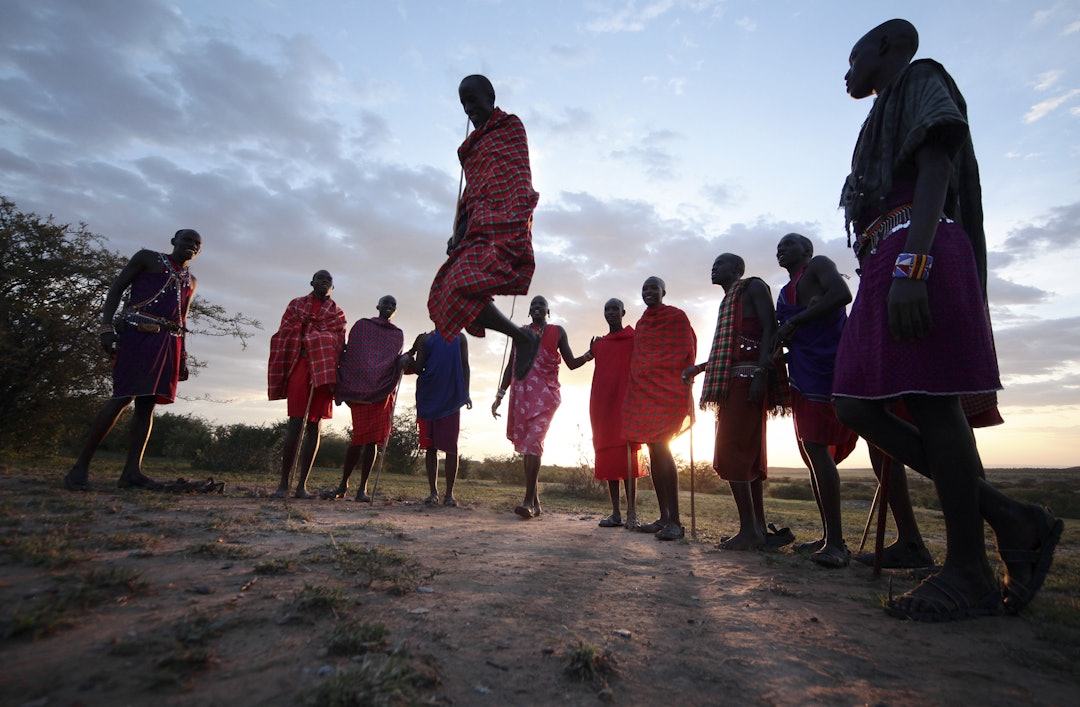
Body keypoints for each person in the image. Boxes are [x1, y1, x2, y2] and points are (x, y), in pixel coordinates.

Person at [834, 19, 1063, 620]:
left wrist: (913, 264)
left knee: (933, 403)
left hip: (919, 246)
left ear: (885, 46)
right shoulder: (875, 118)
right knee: (854, 403)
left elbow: (937, 163)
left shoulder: (922, 78)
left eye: (853, 57)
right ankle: (1013, 518)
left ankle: (968, 571)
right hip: (886, 256)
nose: (846, 70)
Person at [63, 229, 202, 491]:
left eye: (197, 244)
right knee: (123, 397)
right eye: (186, 240)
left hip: (168, 341)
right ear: (174, 241)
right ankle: (79, 468)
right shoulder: (147, 258)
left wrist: (182, 356)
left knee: (148, 403)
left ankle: (131, 473)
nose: (191, 246)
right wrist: (105, 327)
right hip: (137, 333)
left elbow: (183, 318)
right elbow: (116, 288)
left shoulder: (191, 281)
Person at [427, 74, 542, 381]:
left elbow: (514, 176)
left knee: (460, 283)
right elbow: (474, 190)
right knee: (449, 294)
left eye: (473, 100)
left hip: (505, 218)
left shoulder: (510, 127)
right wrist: (459, 231)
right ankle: (522, 336)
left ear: (490, 97)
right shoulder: (472, 147)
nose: (468, 108)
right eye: (463, 103)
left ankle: (523, 338)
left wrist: (507, 211)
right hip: (478, 224)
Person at [683, 256, 786, 550]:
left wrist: (761, 373)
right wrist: (700, 368)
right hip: (734, 381)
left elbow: (770, 328)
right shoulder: (729, 301)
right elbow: (730, 350)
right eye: (712, 263)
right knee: (745, 455)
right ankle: (756, 530)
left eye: (720, 263)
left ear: (737, 269)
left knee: (733, 452)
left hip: (749, 378)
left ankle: (750, 531)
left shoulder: (753, 287)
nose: (713, 267)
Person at [774, 233, 859, 567]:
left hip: (830, 364)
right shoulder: (785, 291)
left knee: (817, 447)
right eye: (778, 247)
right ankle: (827, 536)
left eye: (790, 243)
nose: (782, 249)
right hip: (802, 369)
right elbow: (794, 335)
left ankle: (837, 544)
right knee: (812, 451)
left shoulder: (819, 266)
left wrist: (795, 320)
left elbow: (842, 294)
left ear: (806, 250)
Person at [492, 295, 590, 518]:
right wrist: (500, 394)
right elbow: (511, 365)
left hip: (546, 396)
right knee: (529, 447)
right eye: (533, 305)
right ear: (529, 311)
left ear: (548, 310)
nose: (537, 307)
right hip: (523, 394)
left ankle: (527, 502)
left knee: (534, 443)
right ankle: (535, 503)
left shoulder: (558, 331)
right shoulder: (521, 332)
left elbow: (572, 364)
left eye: (541, 305)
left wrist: (589, 354)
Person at [623, 276, 696, 541]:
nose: (648, 291)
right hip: (645, 392)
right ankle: (664, 517)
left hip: (668, 392)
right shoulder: (642, 323)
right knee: (654, 450)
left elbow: (687, 350)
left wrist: (681, 381)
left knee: (662, 448)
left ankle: (675, 521)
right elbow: (640, 357)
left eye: (653, 287)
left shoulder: (677, 317)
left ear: (664, 291)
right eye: (644, 288)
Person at [267, 270, 347, 498]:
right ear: (312, 282)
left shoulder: (337, 313)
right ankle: (284, 484)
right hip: (300, 364)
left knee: (315, 425)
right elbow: (285, 331)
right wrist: (312, 334)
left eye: (328, 280)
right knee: (295, 422)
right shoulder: (296, 305)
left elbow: (339, 340)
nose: (324, 282)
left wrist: (314, 335)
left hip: (323, 369)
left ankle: (302, 485)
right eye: (320, 279)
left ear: (333, 287)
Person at [333, 295, 406, 502]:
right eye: (386, 303)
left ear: (395, 310)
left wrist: (404, 359)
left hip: (382, 392)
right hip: (361, 389)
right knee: (358, 439)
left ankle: (362, 489)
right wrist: (345, 384)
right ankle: (343, 484)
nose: (389, 306)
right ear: (378, 306)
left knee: (373, 441)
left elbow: (394, 361)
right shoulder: (362, 327)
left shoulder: (397, 334)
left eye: (393, 304)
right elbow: (352, 354)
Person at [586, 298, 645, 529]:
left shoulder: (634, 339)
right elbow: (579, 362)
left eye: (614, 309)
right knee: (609, 456)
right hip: (602, 406)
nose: (610, 312)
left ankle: (632, 513)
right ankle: (615, 513)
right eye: (607, 309)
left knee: (628, 457)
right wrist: (589, 352)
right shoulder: (598, 344)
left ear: (623, 312)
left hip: (627, 405)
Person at [405, 329, 472, 507]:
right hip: (429, 395)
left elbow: (465, 365)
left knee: (451, 447)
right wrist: (409, 361)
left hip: (451, 396)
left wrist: (466, 392)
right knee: (430, 447)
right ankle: (433, 492)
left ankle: (449, 494)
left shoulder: (460, 338)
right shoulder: (425, 338)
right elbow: (420, 368)